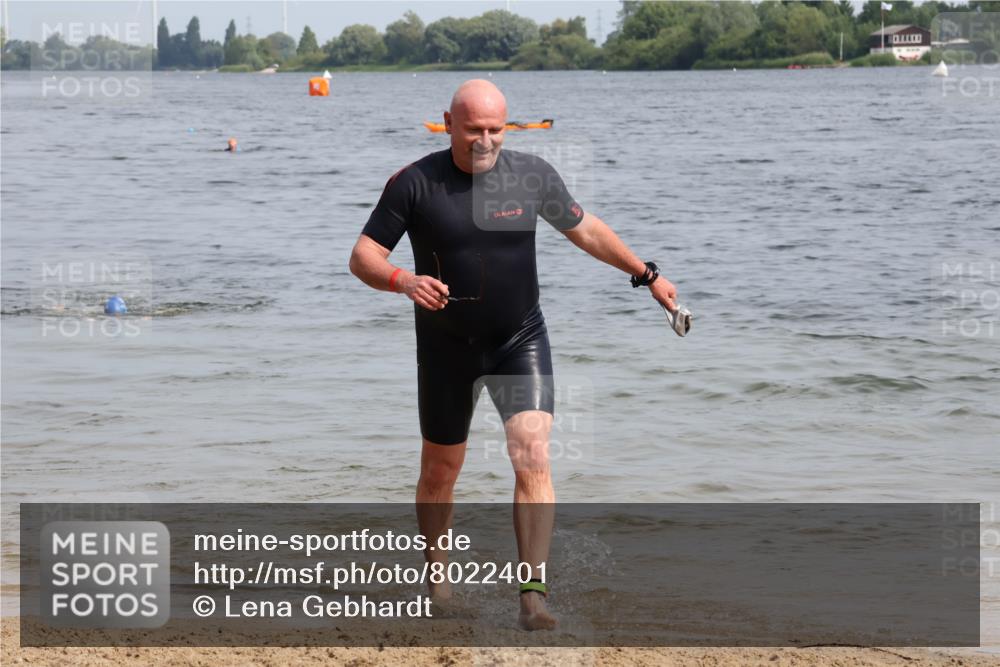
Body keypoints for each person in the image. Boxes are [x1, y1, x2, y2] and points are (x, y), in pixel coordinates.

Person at [349, 79, 677, 631]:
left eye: (495, 130)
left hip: (518, 338)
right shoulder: (414, 183)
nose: (484, 141)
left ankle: (532, 597)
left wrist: (646, 274)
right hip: (445, 345)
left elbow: (586, 229)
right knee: (440, 472)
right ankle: (438, 581)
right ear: (447, 122)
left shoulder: (531, 175)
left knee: (532, 455)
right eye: (473, 129)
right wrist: (403, 281)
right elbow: (363, 256)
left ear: (509, 127)